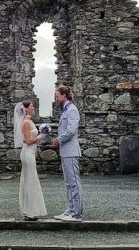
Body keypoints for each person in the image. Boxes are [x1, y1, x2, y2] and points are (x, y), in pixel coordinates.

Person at [50, 85, 83, 222]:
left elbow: (71, 131)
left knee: (74, 182)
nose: (56, 99)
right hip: (65, 151)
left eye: (57, 97)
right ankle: (70, 210)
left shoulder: (72, 110)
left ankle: (77, 214)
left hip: (70, 151)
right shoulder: (65, 111)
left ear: (64, 95)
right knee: (68, 183)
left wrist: (58, 140)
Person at [13, 100, 47, 221]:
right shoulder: (26, 122)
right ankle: (30, 212)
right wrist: (41, 136)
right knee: (30, 180)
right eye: (32, 106)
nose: (34, 108)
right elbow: (28, 141)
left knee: (30, 180)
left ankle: (30, 210)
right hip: (27, 153)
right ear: (26, 109)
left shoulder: (29, 121)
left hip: (30, 152)